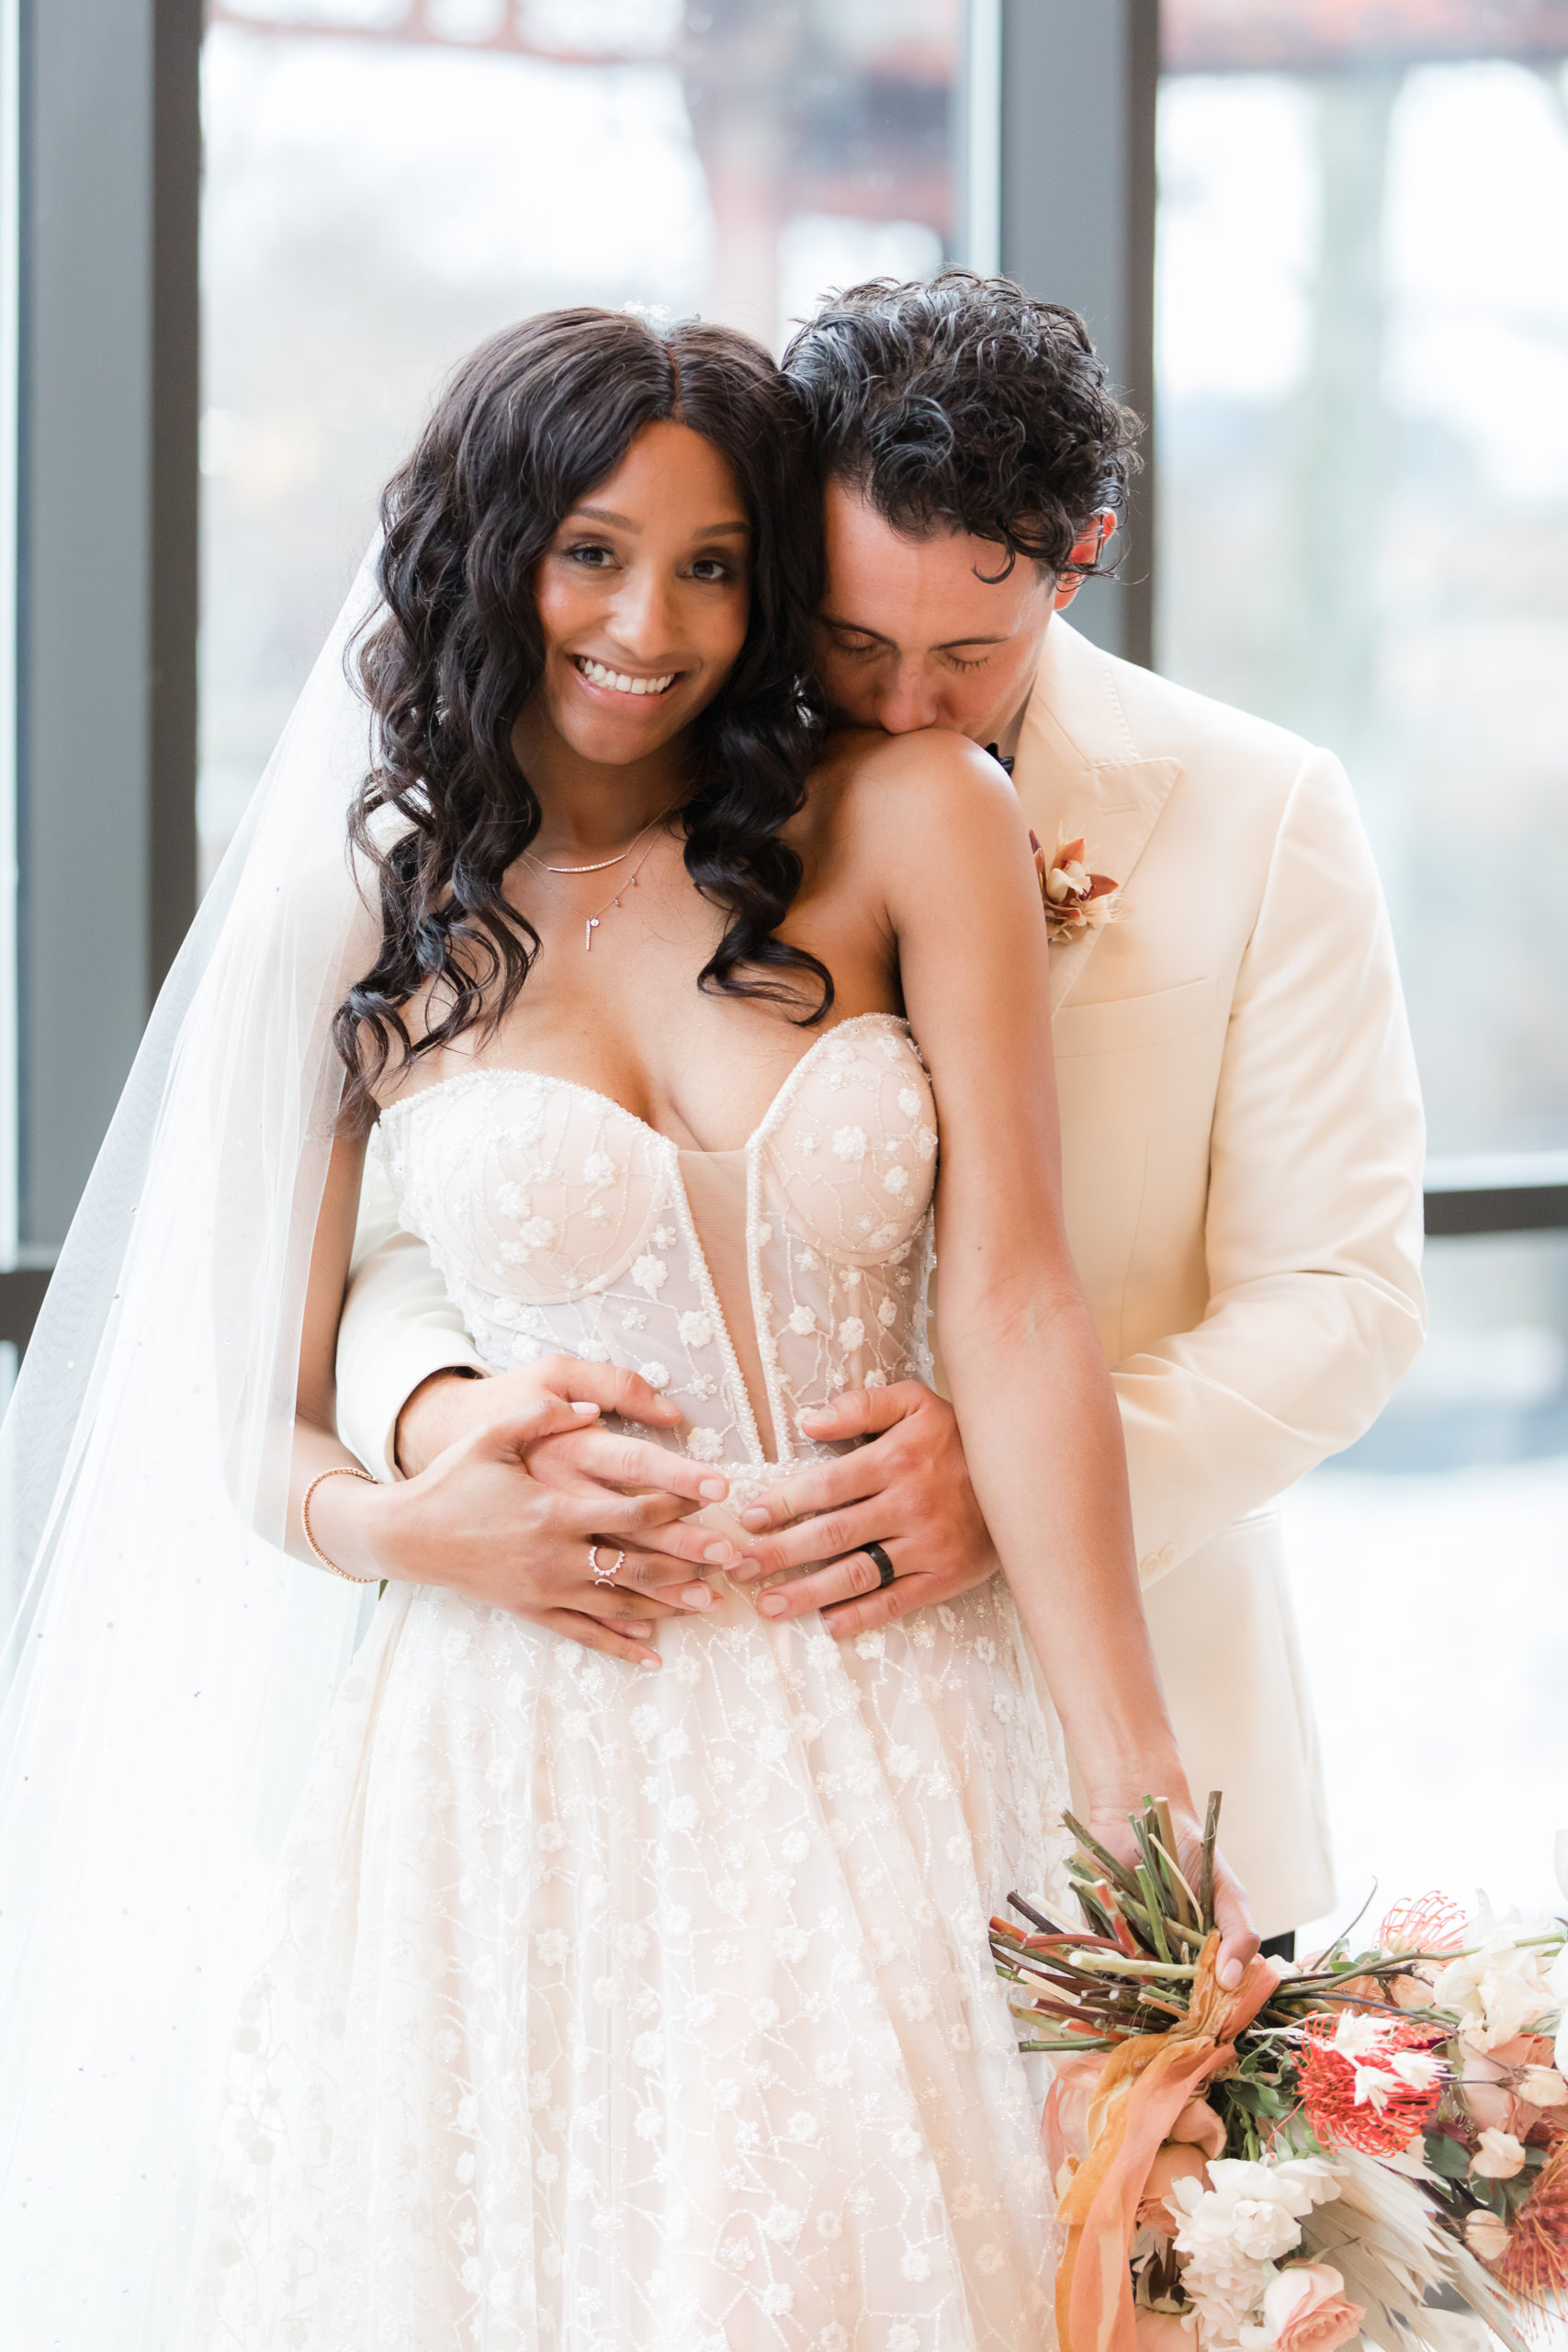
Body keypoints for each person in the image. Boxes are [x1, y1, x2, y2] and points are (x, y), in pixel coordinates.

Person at [0, 307, 1253, 2348]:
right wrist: (400, 1521)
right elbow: (246, 1401)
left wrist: (1141, 1793)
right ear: (489, 551)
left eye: (708, 564)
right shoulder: (373, 907)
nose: (644, 622)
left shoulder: (916, 808)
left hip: (904, 1693)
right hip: (517, 1752)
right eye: (591, 549)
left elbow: (1014, 1295)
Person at [334, 271, 1428, 1948]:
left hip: (1113, 1671)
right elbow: (438, 1197)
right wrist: (436, 1415)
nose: (902, 706)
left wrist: (1014, 1478)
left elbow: (1344, 1298)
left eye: (965, 653)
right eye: (851, 641)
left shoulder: (1262, 812)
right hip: (666, 1723)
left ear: (1080, 560)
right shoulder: (651, 778)